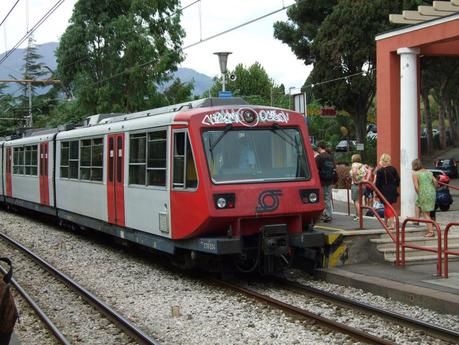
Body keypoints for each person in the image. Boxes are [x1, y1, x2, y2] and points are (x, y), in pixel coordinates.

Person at [412, 159, 438, 237]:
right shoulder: (429, 172)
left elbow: (416, 187)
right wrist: (434, 188)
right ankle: (418, 221)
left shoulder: (415, 174)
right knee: (422, 207)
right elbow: (435, 181)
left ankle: (431, 231)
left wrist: (420, 194)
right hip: (432, 192)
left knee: (425, 213)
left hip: (423, 192)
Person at [374, 153, 400, 230]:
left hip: (384, 190)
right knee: (388, 206)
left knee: (387, 206)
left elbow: (377, 183)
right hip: (392, 189)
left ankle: (392, 224)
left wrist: (376, 192)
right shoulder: (393, 169)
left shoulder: (379, 171)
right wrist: (395, 186)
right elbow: (398, 179)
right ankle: (385, 223)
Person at [315, 141, 336, 223]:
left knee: (321, 198)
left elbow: (315, 170)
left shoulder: (319, 157)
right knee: (327, 198)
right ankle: (329, 214)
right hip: (330, 180)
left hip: (321, 181)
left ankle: (325, 215)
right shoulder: (330, 157)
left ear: (319, 147)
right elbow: (334, 168)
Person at [350, 154, 367, 221]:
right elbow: (369, 171)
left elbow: (354, 172)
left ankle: (359, 217)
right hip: (363, 185)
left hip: (356, 185)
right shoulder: (362, 165)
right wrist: (366, 180)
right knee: (359, 201)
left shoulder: (354, 165)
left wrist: (355, 180)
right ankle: (357, 215)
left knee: (356, 201)